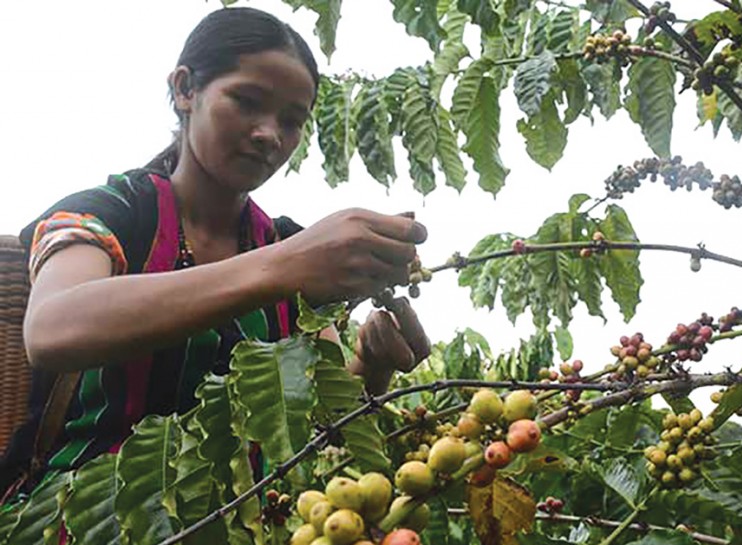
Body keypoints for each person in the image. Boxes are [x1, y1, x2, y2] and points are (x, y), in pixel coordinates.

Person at [1, 6, 430, 495]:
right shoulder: (114, 214)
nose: (270, 135)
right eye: (246, 101)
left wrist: (373, 364)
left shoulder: (285, 245)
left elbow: (321, 423)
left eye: (292, 121)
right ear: (186, 89)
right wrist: (283, 267)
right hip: (76, 534)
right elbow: (52, 328)